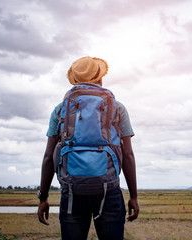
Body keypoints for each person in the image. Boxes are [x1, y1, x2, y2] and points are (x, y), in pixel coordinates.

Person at [37, 56, 139, 240]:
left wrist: (43, 197)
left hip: (72, 191)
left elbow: (48, 156)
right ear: (100, 79)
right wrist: (134, 196)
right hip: (109, 190)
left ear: (74, 80)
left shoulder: (61, 109)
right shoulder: (117, 108)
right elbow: (128, 154)